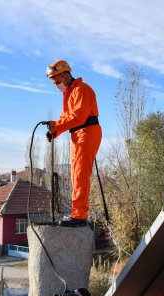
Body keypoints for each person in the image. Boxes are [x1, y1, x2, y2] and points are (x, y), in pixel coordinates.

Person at [45, 60, 102, 227]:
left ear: (65, 74)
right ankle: (77, 212)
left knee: (80, 174)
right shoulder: (69, 93)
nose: (57, 86)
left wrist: (58, 127)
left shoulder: (82, 89)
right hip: (78, 134)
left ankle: (79, 215)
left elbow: (78, 117)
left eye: (57, 82)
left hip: (87, 131)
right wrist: (54, 131)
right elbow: (65, 118)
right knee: (75, 175)